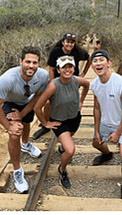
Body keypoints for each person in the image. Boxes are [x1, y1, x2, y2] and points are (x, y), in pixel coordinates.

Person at [0, 46, 49, 193]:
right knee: (15, 132)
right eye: (27, 61)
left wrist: (22, 114)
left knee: (26, 122)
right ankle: (17, 171)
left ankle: (26, 144)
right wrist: (9, 126)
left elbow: (37, 96)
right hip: (9, 101)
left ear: (39, 64)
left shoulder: (43, 76)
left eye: (34, 63)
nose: (31, 66)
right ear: (20, 61)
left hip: (27, 100)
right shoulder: (7, 79)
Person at [34, 55, 89, 189]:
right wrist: (46, 123)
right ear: (58, 70)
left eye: (70, 66)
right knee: (70, 150)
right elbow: (37, 107)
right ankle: (62, 170)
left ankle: (62, 147)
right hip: (59, 122)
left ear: (74, 68)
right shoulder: (54, 86)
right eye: (64, 67)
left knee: (66, 144)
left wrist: (81, 101)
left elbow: (87, 85)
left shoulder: (76, 81)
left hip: (75, 118)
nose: (67, 69)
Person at [89, 49, 122, 200]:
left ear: (108, 63)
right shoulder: (94, 84)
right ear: (92, 66)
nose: (98, 63)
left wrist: (117, 133)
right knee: (96, 143)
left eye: (101, 60)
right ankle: (107, 154)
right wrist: (96, 130)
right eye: (95, 61)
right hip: (105, 122)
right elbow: (96, 107)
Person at [33, 33, 91, 139]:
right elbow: (51, 68)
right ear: (63, 42)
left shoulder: (77, 51)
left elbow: (89, 58)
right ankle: (46, 125)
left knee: (70, 100)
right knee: (47, 103)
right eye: (67, 41)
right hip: (57, 81)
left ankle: (67, 121)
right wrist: (51, 82)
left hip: (72, 81)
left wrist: (83, 73)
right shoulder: (56, 51)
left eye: (72, 42)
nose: (70, 44)